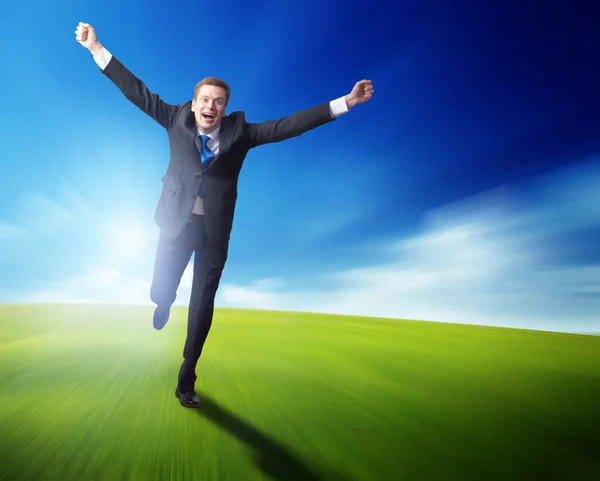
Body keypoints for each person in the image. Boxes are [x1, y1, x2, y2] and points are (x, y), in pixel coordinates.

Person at [75, 21, 374, 408]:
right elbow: (135, 90)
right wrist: (96, 48)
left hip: (214, 234)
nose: (210, 106)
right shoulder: (174, 118)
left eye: (218, 102)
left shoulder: (242, 134)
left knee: (202, 305)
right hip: (175, 224)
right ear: (194, 102)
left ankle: (186, 379)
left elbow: (288, 126)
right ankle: (163, 300)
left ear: (224, 109)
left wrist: (344, 103)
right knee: (160, 287)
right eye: (205, 99)